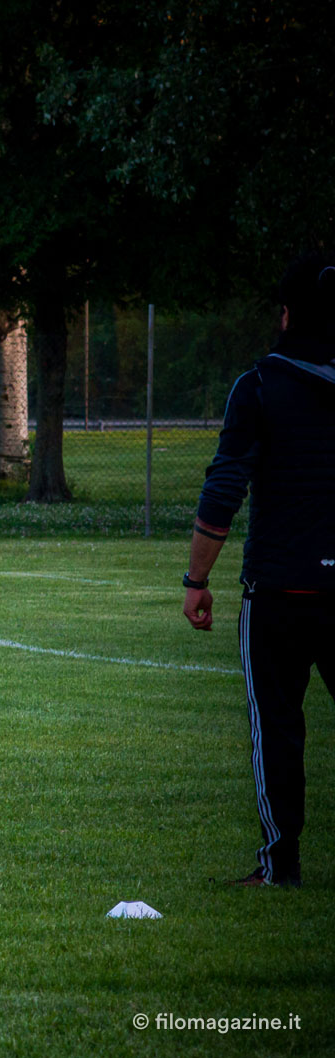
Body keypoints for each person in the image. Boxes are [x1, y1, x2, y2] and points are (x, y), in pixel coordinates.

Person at [183, 250, 335, 888]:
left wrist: (196, 582)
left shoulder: (261, 386)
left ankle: (281, 865)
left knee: (277, 730)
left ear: (286, 314)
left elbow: (225, 489)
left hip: (280, 590)